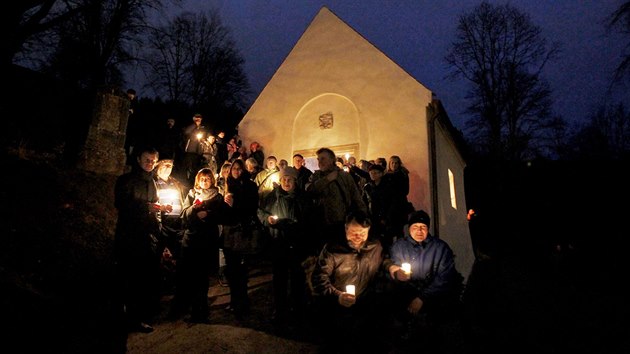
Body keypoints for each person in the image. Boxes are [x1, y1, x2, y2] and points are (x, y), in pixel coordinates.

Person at [383, 210, 465, 352]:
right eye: (415, 227)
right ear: (409, 229)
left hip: (433, 297)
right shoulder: (399, 247)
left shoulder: (440, 248)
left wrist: (422, 297)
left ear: (428, 229)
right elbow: (390, 266)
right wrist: (396, 273)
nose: (419, 231)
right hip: (406, 294)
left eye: (423, 227)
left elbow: (445, 278)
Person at [310, 212, 387, 353]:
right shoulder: (333, 249)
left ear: (368, 230)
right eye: (353, 232)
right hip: (337, 307)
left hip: (366, 303)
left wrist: (393, 268)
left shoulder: (375, 246)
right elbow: (319, 278)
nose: (358, 237)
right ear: (346, 228)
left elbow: (383, 262)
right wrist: (337, 296)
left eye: (362, 233)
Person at [114, 146, 168, 333]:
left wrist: (159, 212)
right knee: (125, 278)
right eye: (147, 160)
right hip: (128, 237)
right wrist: (147, 208)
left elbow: (153, 209)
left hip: (147, 238)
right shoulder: (126, 180)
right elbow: (121, 204)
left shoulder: (152, 182)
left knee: (141, 281)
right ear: (138, 159)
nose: (150, 164)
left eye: (153, 161)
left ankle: (136, 318)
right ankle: (120, 317)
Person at [258, 167, 313, 326]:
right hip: (278, 244)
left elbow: (309, 220)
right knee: (279, 280)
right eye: (284, 179)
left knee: (298, 278)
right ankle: (280, 310)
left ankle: (298, 309)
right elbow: (260, 212)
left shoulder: (303, 198)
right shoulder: (271, 197)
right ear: (280, 180)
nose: (287, 182)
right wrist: (267, 219)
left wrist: (295, 226)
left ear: (295, 181)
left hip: (297, 244)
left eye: (290, 179)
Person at [171, 168, 227, 323]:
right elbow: (184, 214)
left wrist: (207, 215)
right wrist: (193, 209)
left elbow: (222, 216)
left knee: (202, 277)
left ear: (212, 181)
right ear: (198, 180)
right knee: (186, 274)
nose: (204, 181)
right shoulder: (192, 194)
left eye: (208, 179)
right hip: (191, 240)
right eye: (202, 178)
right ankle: (183, 305)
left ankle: (200, 310)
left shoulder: (218, 197)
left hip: (207, 241)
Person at [306, 147, 367, 253]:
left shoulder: (344, 176)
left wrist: (363, 215)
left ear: (332, 160)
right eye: (318, 159)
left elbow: (355, 196)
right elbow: (310, 191)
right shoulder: (315, 176)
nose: (320, 162)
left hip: (342, 222)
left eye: (323, 159)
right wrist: (327, 179)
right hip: (321, 222)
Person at [220, 159, 260, 317]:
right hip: (229, 231)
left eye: (239, 169)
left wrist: (235, 204)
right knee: (231, 269)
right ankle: (233, 300)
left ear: (243, 170)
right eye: (234, 169)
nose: (236, 171)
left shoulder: (250, 185)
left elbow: (251, 207)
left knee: (241, 270)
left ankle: (242, 302)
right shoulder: (227, 184)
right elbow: (225, 211)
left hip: (242, 231)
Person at [153, 159, 187, 294]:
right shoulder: (154, 182)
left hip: (177, 222)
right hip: (163, 223)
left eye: (170, 166)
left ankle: (178, 287)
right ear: (158, 167)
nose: (168, 168)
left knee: (179, 255)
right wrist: (160, 208)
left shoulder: (175, 183)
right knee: (158, 255)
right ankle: (159, 287)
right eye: (165, 166)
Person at [181, 113, 208, 186]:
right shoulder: (191, 126)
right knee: (189, 169)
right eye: (197, 119)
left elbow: (203, 137)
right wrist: (195, 125)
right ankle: (187, 184)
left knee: (195, 170)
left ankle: (193, 183)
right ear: (194, 119)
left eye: (200, 119)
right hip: (190, 151)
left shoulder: (202, 128)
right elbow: (186, 132)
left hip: (198, 153)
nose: (198, 120)